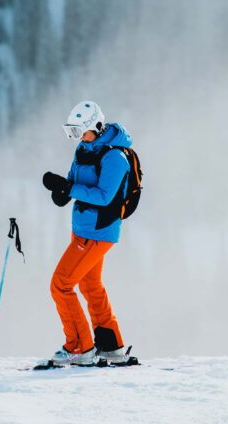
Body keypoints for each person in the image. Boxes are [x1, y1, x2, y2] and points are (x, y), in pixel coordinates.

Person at [42, 99, 132, 366]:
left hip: (99, 231)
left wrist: (69, 190)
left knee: (61, 284)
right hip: (82, 228)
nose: (78, 138)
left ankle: (81, 348)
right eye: (73, 133)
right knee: (90, 285)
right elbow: (74, 182)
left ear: (98, 126)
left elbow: (105, 196)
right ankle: (110, 346)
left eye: (81, 131)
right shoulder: (83, 149)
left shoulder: (116, 157)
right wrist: (61, 190)